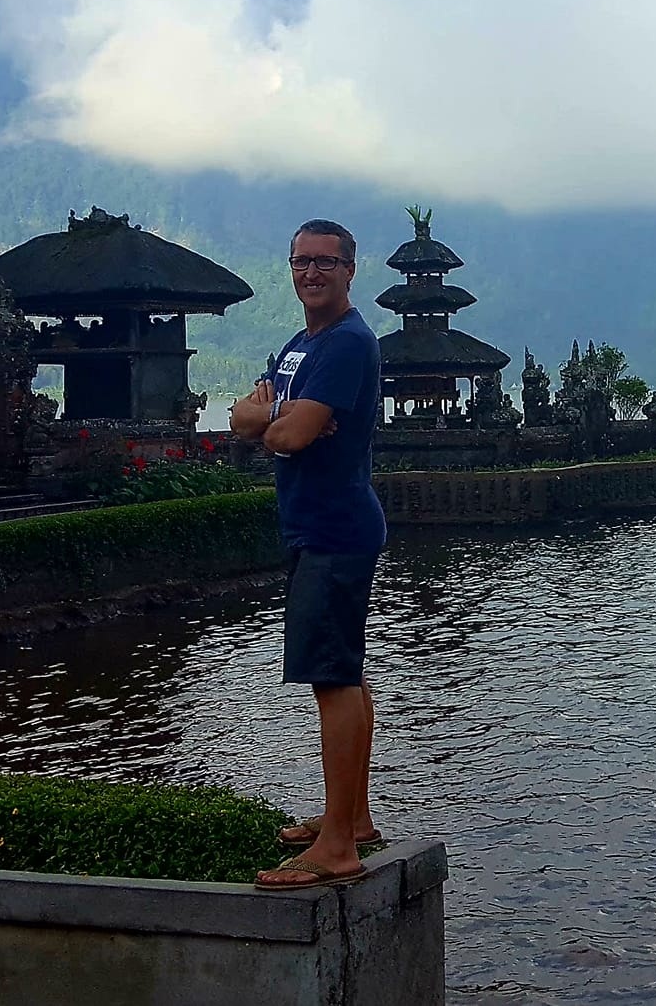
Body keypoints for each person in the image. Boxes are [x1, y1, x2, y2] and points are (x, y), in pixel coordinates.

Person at [229, 218, 387, 890]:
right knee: (346, 673)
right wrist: (269, 418)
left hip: (333, 528)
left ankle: (336, 848)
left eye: (326, 261)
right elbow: (245, 415)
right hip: (315, 525)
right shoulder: (303, 345)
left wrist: (269, 418)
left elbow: (283, 433)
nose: (312, 272)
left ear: (351, 270)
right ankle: (352, 818)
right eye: (301, 261)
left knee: (333, 678)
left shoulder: (347, 344)